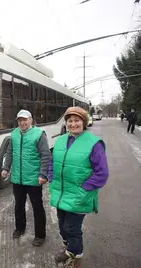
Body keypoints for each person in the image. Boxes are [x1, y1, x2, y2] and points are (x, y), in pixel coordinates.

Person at [49, 106, 109, 268]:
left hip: (80, 194)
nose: (73, 124)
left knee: (72, 228)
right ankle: (70, 247)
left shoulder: (94, 143)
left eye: (77, 121)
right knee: (63, 227)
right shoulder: (61, 140)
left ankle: (76, 254)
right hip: (61, 192)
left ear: (84, 122)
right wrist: (51, 177)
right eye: (70, 121)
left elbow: (102, 172)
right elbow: (52, 161)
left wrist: (86, 187)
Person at [1, 109, 51, 246]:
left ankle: (40, 235)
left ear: (31, 120)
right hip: (18, 178)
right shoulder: (14, 134)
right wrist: (6, 168)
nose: (22, 122)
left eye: (25, 119)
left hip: (34, 179)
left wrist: (43, 174)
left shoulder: (39, 134)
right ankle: (19, 228)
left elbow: (46, 155)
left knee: (37, 207)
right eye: (20, 120)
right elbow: (9, 152)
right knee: (18, 205)